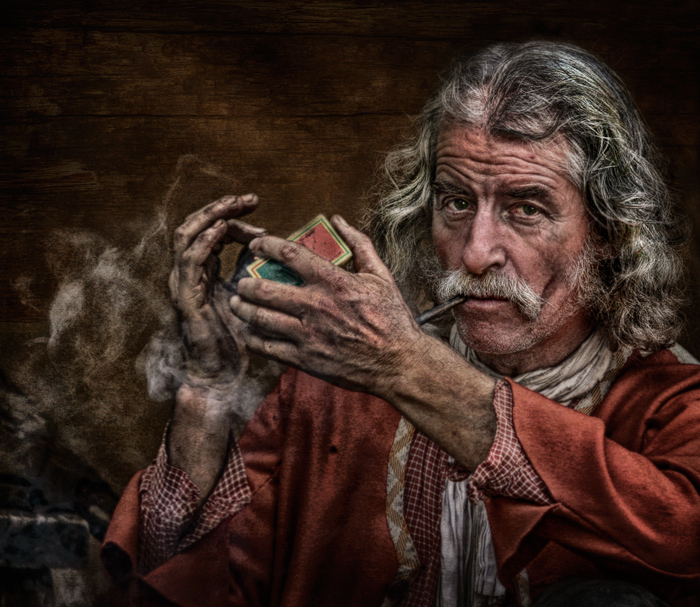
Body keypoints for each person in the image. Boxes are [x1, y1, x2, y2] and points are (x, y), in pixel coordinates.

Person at [102, 41, 700, 606]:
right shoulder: (332, 390)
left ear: (611, 235)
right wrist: (206, 387)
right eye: (457, 203)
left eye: (526, 208)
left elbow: (682, 544)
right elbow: (189, 584)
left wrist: (405, 366)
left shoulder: (675, 403)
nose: (475, 253)